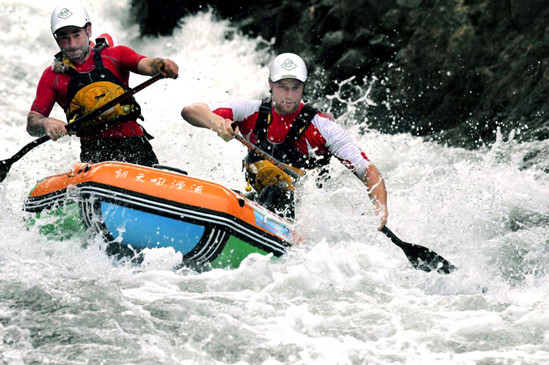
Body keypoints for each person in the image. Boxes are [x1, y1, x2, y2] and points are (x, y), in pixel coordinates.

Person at [180, 53, 388, 229]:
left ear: (303, 87)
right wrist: (218, 123)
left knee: (275, 193)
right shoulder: (249, 110)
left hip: (301, 216)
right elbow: (191, 111)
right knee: (247, 194)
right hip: (259, 202)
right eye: (282, 86)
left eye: (295, 87)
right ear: (270, 84)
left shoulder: (323, 128)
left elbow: (367, 170)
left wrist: (380, 211)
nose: (289, 95)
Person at [27, 1, 179, 167]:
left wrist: (162, 64)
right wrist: (45, 123)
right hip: (94, 154)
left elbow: (148, 65)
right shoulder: (52, 76)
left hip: (135, 144)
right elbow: (33, 123)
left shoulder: (116, 55)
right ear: (56, 39)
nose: (72, 44)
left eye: (77, 34)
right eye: (64, 38)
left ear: (89, 30)